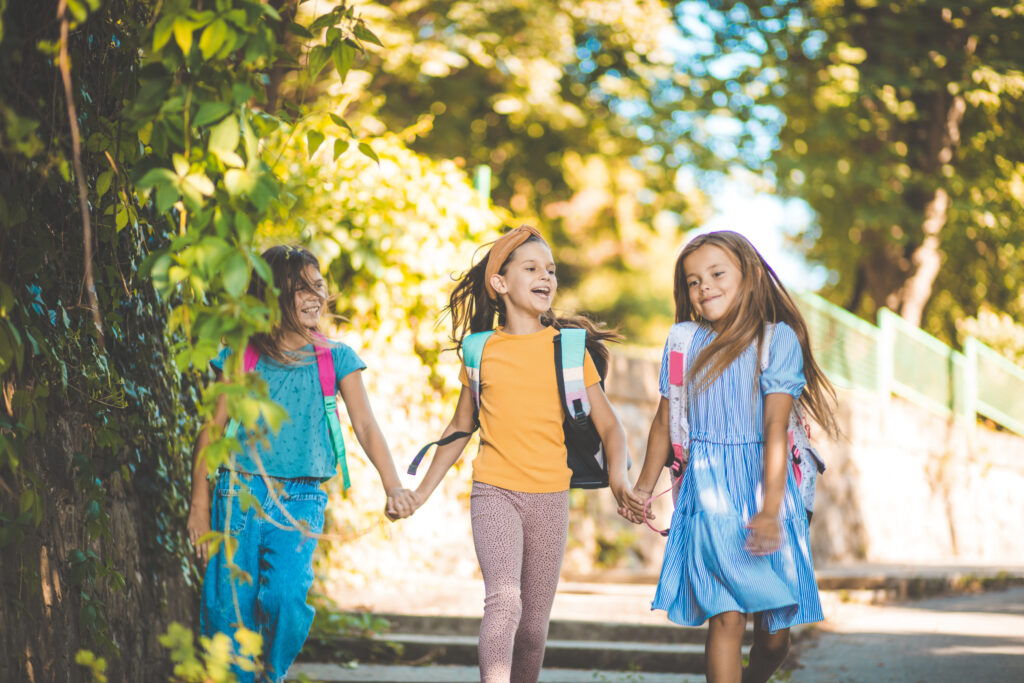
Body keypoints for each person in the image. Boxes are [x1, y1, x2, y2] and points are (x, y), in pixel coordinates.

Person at [409, 225, 641, 683]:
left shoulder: (570, 349)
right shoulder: (480, 351)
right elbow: (460, 428)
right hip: (494, 490)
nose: (546, 277)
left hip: (550, 497)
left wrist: (619, 479)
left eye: (551, 270)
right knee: (504, 600)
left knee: (533, 629)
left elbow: (610, 425)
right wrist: (419, 494)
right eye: (532, 268)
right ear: (500, 283)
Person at [186, 245, 416, 683]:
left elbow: (366, 426)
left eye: (318, 286)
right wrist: (199, 504)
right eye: (300, 289)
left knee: (287, 598)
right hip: (239, 493)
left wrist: (393, 486)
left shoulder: (337, 357)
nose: (315, 296)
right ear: (271, 297)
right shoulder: (242, 354)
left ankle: (269, 674)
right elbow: (212, 429)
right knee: (226, 607)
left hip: (303, 499)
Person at [622, 231, 839, 683]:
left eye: (717, 274)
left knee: (774, 635)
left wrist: (770, 509)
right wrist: (642, 487)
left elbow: (774, 429)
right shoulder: (682, 341)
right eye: (693, 281)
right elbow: (665, 420)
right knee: (725, 616)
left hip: (767, 491)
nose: (705, 287)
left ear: (750, 275)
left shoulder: (777, 341)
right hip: (708, 492)